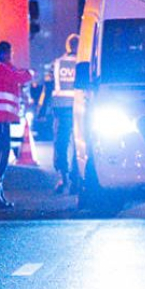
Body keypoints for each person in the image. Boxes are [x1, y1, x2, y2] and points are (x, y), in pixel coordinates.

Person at [0, 39, 33, 209]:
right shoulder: (2, 68)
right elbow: (21, 77)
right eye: (10, 54)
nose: (12, 57)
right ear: (4, 53)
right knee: (2, 154)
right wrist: (30, 73)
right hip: (1, 118)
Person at [47, 34, 82, 195]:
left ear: (67, 46)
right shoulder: (82, 63)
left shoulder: (57, 63)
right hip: (79, 107)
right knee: (79, 142)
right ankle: (77, 179)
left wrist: (43, 109)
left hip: (61, 108)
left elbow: (48, 87)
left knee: (61, 143)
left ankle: (63, 177)